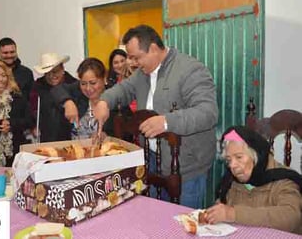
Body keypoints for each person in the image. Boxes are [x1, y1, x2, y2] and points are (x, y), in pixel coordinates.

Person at [93, 25, 218, 208]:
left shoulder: (190, 70)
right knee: (156, 219)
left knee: (183, 226)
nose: (132, 63)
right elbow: (123, 89)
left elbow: (208, 113)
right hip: (153, 161)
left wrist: (167, 122)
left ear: (152, 48)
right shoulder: (142, 74)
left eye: (136, 57)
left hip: (187, 167)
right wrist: (104, 102)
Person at [206, 126, 302, 234]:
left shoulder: (284, 179)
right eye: (229, 160)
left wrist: (233, 214)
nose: (232, 165)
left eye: (239, 157)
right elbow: (223, 205)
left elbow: (290, 217)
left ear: (256, 155)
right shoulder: (231, 181)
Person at [54, 57, 128, 139]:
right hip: (75, 149)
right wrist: (67, 102)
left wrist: (108, 136)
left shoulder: (115, 96)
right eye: (83, 83)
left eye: (93, 83)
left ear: (104, 78)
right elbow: (57, 90)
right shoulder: (77, 91)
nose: (88, 88)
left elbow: (127, 132)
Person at [30, 53, 77, 142]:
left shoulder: (74, 85)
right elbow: (31, 109)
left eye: (55, 71)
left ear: (62, 69)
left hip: (71, 136)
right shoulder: (38, 86)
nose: (52, 76)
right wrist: (33, 126)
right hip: (46, 138)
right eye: (47, 73)